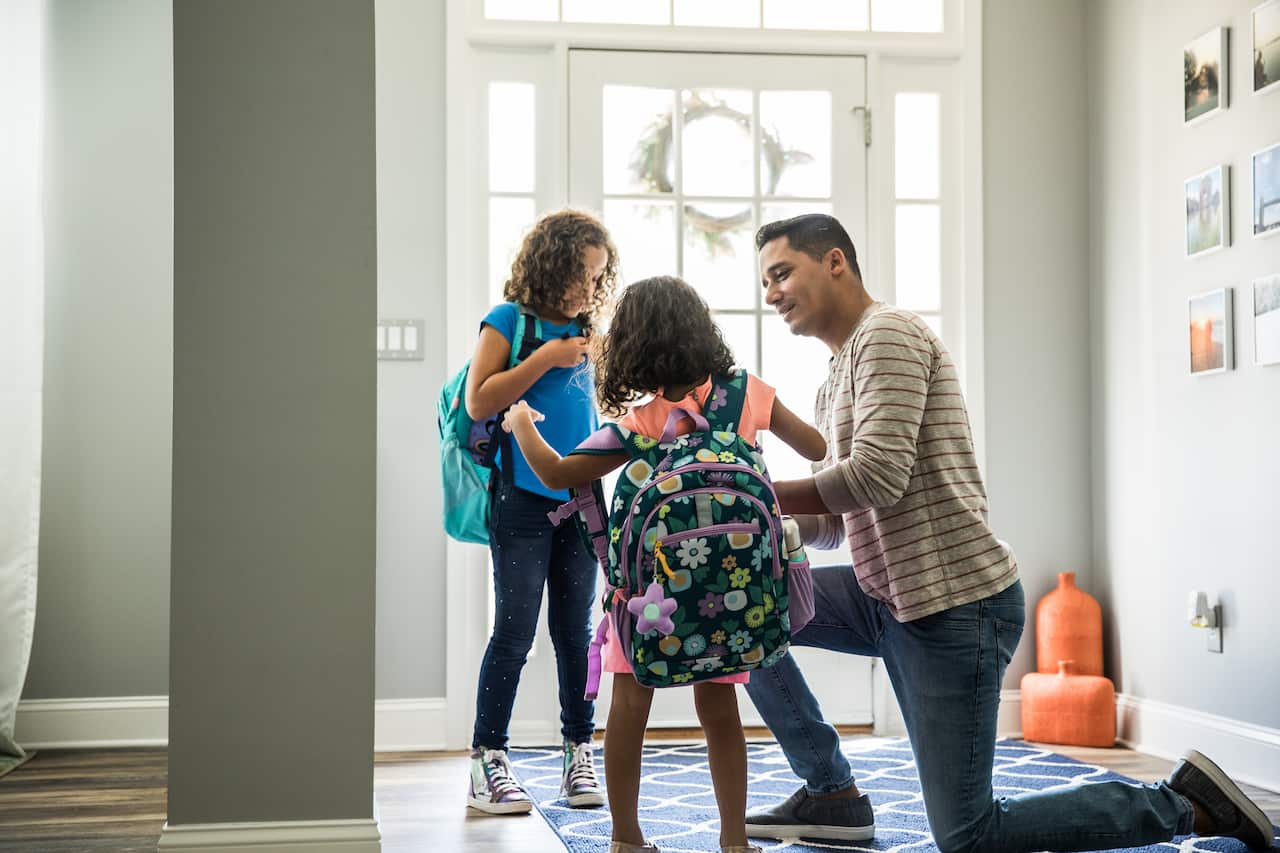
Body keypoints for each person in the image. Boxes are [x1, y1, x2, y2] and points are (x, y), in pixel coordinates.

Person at [739, 213, 1274, 852]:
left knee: (968, 836)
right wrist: (742, 521)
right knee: (744, 605)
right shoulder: (833, 380)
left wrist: (756, 492)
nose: (770, 295)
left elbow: (877, 478)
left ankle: (1186, 804)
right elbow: (832, 525)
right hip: (886, 599)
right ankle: (830, 793)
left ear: (834, 262)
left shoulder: (888, 336)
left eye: (780, 274)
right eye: (765, 282)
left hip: (955, 609)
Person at [502, 275, 827, 853]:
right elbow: (818, 448)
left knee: (630, 705)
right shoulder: (749, 393)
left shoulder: (641, 425)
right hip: (734, 592)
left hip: (653, 597)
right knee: (720, 708)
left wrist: (521, 423)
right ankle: (733, 841)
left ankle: (626, 839)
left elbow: (555, 474)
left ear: (632, 350)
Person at [463, 209, 618, 815]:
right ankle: (488, 761)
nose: (587, 287)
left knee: (575, 635)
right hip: (522, 499)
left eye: (596, 276)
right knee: (515, 632)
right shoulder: (508, 321)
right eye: (580, 272)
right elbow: (481, 398)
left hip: (582, 499)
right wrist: (544, 361)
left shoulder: (587, 327)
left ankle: (578, 754)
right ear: (549, 262)